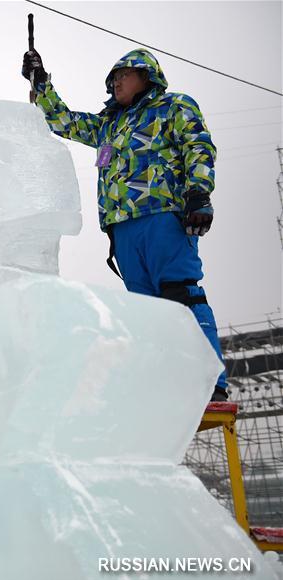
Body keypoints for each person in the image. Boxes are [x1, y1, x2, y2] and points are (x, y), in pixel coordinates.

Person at [22, 47, 227, 402]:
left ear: (147, 76)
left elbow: (198, 145)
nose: (115, 83)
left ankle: (211, 383)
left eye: (122, 75)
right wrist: (40, 82)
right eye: (112, 79)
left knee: (180, 293)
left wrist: (198, 193)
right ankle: (165, 389)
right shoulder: (108, 124)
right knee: (147, 312)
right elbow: (62, 121)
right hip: (122, 227)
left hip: (163, 215)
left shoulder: (173, 107)